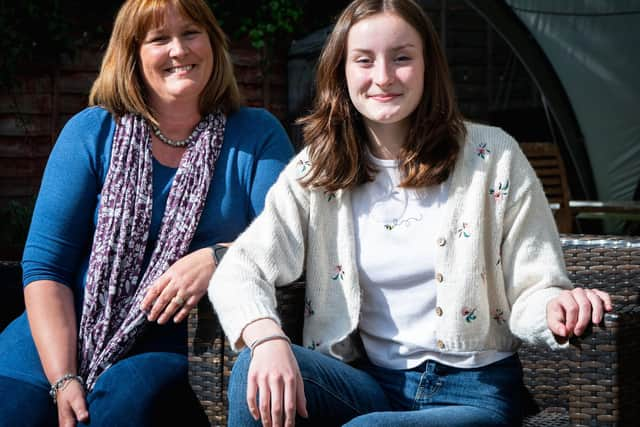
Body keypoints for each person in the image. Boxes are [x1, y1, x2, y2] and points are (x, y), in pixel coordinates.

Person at [208, 0, 612, 426]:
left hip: (475, 396)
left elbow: (534, 287)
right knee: (251, 371)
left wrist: (556, 307)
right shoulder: (318, 170)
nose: (383, 77)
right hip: (371, 385)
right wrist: (269, 339)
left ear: (427, 66)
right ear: (341, 71)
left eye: (402, 58)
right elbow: (239, 269)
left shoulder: (492, 156)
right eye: (364, 60)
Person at [0, 0, 293, 426]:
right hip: (60, 336)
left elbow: (289, 234)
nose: (179, 49)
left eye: (191, 33)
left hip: (182, 344)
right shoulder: (91, 132)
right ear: (132, 56)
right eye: (159, 39)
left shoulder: (256, 134)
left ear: (212, 42)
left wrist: (219, 257)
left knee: (125, 405)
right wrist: (64, 378)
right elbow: (46, 267)